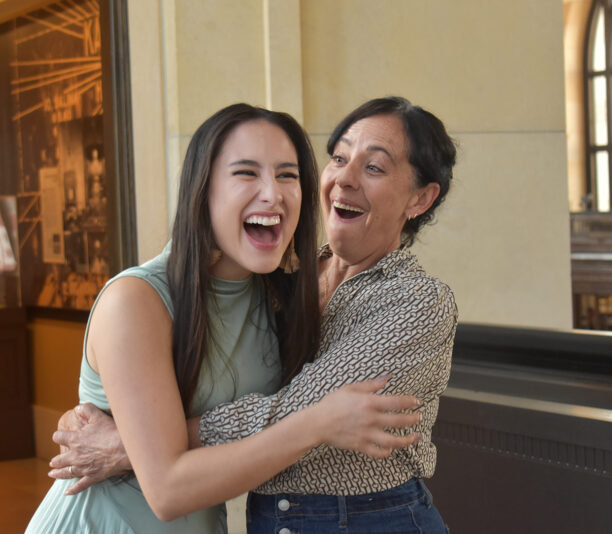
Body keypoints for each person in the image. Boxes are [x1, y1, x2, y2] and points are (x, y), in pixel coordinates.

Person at [52, 96, 458, 533]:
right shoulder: (279, 286)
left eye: (374, 167)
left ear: (420, 198)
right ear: (202, 185)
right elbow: (311, 417)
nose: (345, 178)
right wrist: (143, 442)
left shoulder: (417, 301)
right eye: (338, 157)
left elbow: (301, 408)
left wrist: (131, 445)